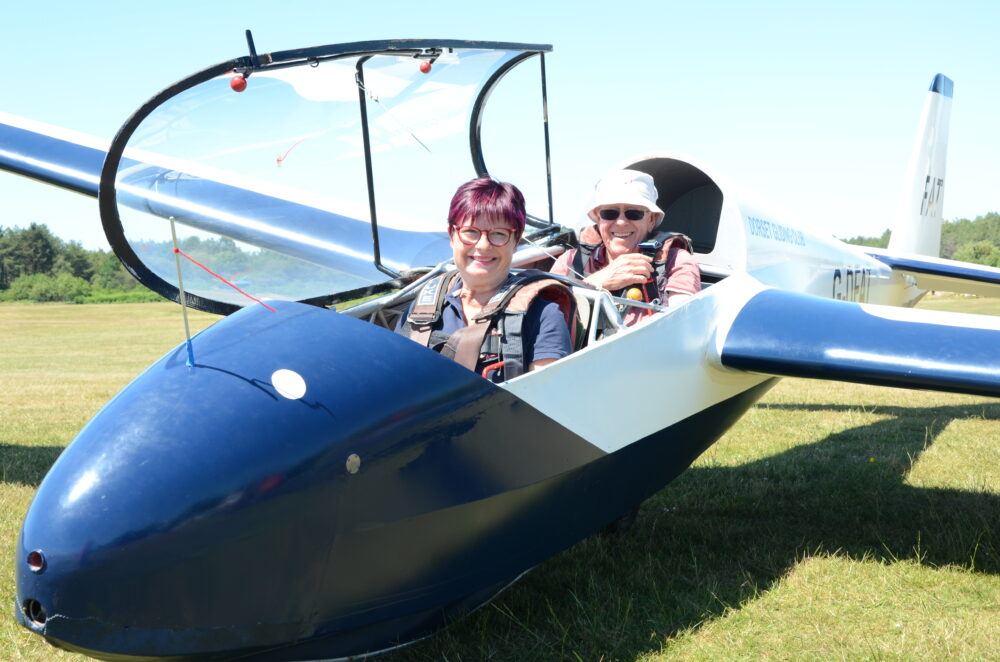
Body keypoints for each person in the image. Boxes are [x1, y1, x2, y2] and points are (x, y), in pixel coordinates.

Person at [397, 177, 574, 381]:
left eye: (498, 234)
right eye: (470, 232)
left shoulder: (543, 315)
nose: (482, 245)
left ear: (516, 241)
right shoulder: (422, 307)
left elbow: (546, 397)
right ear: (452, 236)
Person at [551, 169, 701, 325]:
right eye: (610, 213)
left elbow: (683, 322)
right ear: (598, 217)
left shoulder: (676, 261)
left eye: (634, 213)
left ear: (651, 220)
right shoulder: (569, 261)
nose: (621, 222)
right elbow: (543, 311)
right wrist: (596, 283)